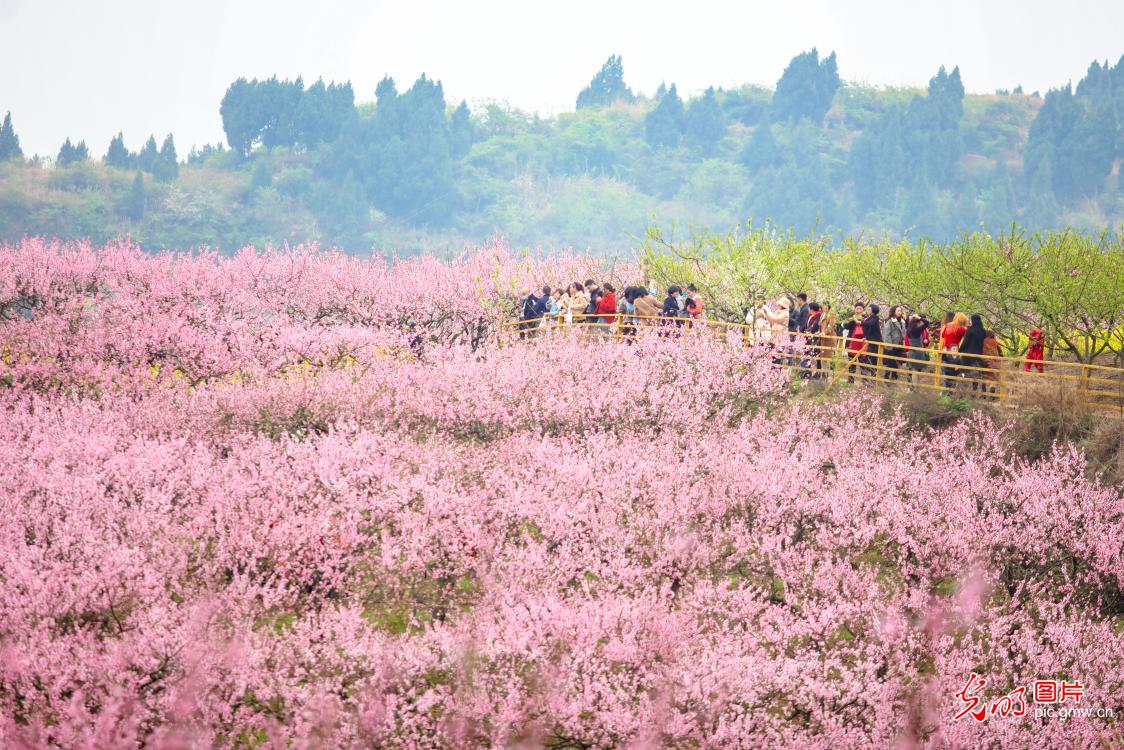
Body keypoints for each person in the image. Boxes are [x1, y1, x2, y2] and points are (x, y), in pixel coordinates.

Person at [959, 314, 987, 391]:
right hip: (978, 355)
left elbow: (965, 343)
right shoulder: (983, 331)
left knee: (965, 372)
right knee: (976, 374)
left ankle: (964, 390)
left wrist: (959, 351)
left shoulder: (969, 330)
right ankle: (974, 390)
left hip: (967, 355)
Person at [842, 302, 867, 382]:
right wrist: (852, 320)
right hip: (852, 342)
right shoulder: (852, 317)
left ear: (863, 310)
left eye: (860, 308)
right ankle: (851, 379)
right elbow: (846, 326)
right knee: (851, 362)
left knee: (863, 362)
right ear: (855, 309)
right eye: (857, 308)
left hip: (862, 342)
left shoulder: (866, 318)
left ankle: (864, 380)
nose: (859, 310)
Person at [881, 305, 907, 380]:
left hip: (899, 345)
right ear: (894, 312)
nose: (900, 312)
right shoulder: (890, 322)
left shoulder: (902, 321)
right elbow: (886, 334)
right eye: (898, 311)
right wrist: (889, 346)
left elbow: (904, 333)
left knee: (898, 362)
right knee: (890, 363)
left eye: (900, 311)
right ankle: (886, 378)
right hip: (891, 346)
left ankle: (894, 376)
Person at [905, 314, 931, 382]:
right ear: (917, 322)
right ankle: (914, 388)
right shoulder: (917, 330)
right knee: (915, 372)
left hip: (911, 351)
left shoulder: (909, 329)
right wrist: (919, 317)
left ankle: (910, 387)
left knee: (911, 370)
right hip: (918, 352)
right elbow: (927, 323)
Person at [861, 303, 884, 378]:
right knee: (870, 359)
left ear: (873, 311)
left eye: (869, 309)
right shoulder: (870, 317)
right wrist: (866, 337)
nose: (867, 311)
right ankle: (869, 377)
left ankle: (872, 378)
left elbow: (868, 324)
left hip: (875, 342)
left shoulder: (874, 318)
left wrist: (860, 322)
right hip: (871, 341)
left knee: (872, 360)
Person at [982, 329, 1003, 396]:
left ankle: (984, 393)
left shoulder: (982, 341)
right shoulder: (994, 341)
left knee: (984, 376)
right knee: (993, 376)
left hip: (983, 360)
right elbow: (1000, 351)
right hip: (993, 361)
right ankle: (992, 388)